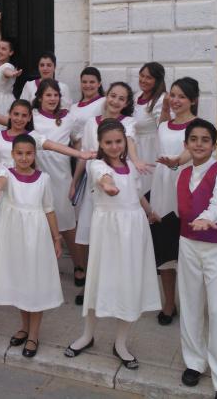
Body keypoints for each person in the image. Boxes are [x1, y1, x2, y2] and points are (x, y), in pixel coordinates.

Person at [65, 120, 160, 368]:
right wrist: (108, 186)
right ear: (100, 143)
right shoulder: (96, 165)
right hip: (108, 232)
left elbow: (137, 195)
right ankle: (87, 335)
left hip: (134, 231)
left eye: (118, 141)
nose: (114, 146)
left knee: (129, 285)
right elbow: (104, 179)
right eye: (108, 142)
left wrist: (151, 212)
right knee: (98, 282)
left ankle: (121, 343)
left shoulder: (131, 165)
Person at [0, 134, 64, 359]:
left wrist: (56, 238)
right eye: (19, 153)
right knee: (21, 280)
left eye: (29, 153)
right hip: (15, 238)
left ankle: (34, 334)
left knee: (35, 283)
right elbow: (0, 183)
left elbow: (48, 209)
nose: (24, 157)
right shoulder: (5, 173)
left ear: (34, 154)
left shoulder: (43, 179)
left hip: (37, 238)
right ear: (12, 155)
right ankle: (24, 326)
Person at [176, 118, 217, 398]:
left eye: (205, 140)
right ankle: (194, 362)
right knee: (190, 304)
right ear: (186, 144)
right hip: (188, 243)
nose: (199, 144)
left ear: (214, 145)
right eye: (194, 139)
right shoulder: (183, 174)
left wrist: (206, 219)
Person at [70, 81, 148, 303]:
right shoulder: (90, 124)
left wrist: (136, 160)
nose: (115, 101)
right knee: (90, 235)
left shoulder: (129, 123)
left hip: (118, 183)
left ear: (126, 104)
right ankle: (90, 285)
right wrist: (75, 182)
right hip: (95, 181)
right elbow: (85, 156)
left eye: (121, 98)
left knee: (113, 235)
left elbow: (130, 143)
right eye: (112, 96)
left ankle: (113, 286)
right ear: (107, 97)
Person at [148, 76, 200, 325]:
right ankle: (169, 302)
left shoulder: (199, 125)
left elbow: (195, 149)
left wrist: (177, 161)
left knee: (189, 256)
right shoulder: (163, 126)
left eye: (182, 96)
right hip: (162, 191)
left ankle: (192, 305)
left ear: (193, 100)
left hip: (188, 190)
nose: (177, 100)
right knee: (166, 252)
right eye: (174, 95)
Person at [31, 79, 85, 286]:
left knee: (67, 223)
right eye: (48, 95)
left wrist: (78, 156)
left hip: (62, 176)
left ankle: (79, 265)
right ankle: (45, 269)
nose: (52, 98)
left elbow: (78, 139)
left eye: (56, 95)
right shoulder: (33, 117)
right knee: (42, 223)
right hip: (38, 174)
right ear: (40, 97)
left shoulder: (69, 118)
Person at [132, 62, 168, 196]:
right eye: (141, 75)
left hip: (150, 150)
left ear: (157, 80)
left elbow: (164, 127)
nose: (143, 80)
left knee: (147, 188)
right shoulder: (137, 96)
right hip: (135, 148)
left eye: (148, 77)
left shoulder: (161, 99)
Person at [0, 8, 22, 140]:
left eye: (4, 49)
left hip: (3, 104)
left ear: (11, 53)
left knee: (1, 132)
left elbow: (7, 72)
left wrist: (13, 74)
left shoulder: (7, 66)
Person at [69, 67, 106, 141]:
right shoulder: (73, 107)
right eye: (84, 82)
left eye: (92, 82)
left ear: (99, 84)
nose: (88, 85)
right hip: (74, 151)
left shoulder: (104, 102)